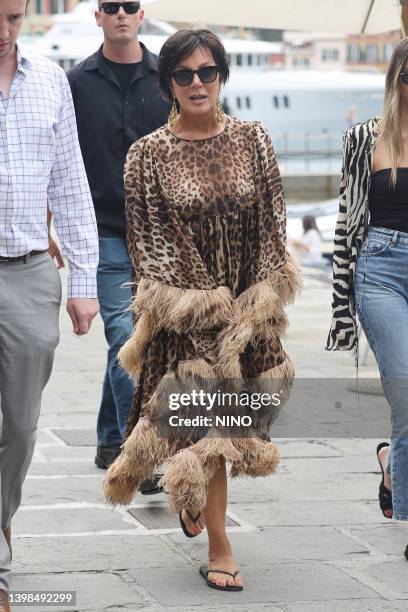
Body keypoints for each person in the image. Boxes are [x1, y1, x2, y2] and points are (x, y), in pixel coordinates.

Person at [104, 29, 300, 592]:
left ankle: (192, 498)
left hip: (247, 302)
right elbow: (149, 242)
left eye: (207, 71)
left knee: (236, 416)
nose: (197, 83)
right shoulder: (147, 156)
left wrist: (251, 302)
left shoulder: (253, 140)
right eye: (185, 74)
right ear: (168, 82)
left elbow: (272, 222)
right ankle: (220, 543)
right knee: (210, 419)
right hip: (184, 308)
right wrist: (206, 304)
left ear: (221, 77)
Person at [0, 0, 99, 608]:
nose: (2, 31)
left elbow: (70, 180)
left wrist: (84, 280)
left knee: (19, 424)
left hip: (31, 271)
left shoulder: (49, 81)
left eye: (11, 18)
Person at [67, 0, 170, 477]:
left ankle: (110, 437)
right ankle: (140, 453)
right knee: (126, 337)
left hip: (164, 237)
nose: (121, 14)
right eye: (112, 7)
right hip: (101, 233)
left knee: (140, 340)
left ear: (141, 14)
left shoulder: (168, 78)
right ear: (99, 17)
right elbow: (59, 156)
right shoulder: (76, 84)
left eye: (130, 6)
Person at [327, 37, 408, 561]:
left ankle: (391, 468)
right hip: (381, 271)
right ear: (395, 80)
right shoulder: (365, 139)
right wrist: (340, 311)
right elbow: (345, 224)